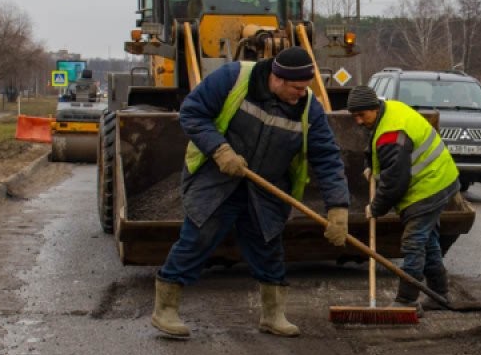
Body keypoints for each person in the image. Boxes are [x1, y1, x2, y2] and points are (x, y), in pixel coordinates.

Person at [152, 47, 350, 339]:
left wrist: (338, 207)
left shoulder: (309, 107)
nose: (301, 94)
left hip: (267, 185)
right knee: (199, 237)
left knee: (268, 245)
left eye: (305, 88)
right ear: (277, 78)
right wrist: (219, 149)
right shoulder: (233, 78)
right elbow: (192, 113)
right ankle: (165, 309)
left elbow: (327, 157)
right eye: (296, 88)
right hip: (217, 176)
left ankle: (273, 315)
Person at [346, 85, 460, 308]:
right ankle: (439, 294)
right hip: (438, 178)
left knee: (413, 243)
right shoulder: (390, 109)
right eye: (354, 116)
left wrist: (376, 207)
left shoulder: (392, 132)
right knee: (428, 242)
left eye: (362, 115)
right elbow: (376, 142)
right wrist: (372, 165)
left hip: (429, 185)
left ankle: (406, 300)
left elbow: (395, 182)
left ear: (374, 108)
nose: (358, 121)